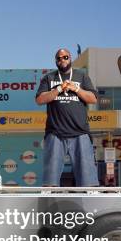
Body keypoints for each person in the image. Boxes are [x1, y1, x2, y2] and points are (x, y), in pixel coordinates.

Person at [35, 48, 99, 187]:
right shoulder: (49, 78)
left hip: (80, 132)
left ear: (70, 58)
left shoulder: (81, 76)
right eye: (59, 58)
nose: (62, 60)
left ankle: (89, 206)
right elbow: (40, 100)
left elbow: (93, 99)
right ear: (55, 61)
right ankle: (49, 206)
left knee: (88, 181)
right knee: (50, 181)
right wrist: (58, 89)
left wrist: (75, 89)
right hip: (55, 133)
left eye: (65, 57)